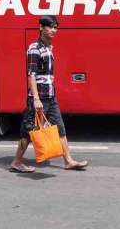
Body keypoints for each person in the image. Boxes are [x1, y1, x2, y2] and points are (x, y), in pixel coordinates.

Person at [10, 15, 89, 173]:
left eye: (55, 27)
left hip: (51, 97)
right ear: (41, 27)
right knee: (29, 131)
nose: (53, 30)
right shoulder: (35, 48)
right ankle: (17, 162)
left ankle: (68, 161)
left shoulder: (48, 48)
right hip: (39, 98)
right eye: (50, 27)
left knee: (60, 128)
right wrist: (36, 99)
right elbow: (31, 74)